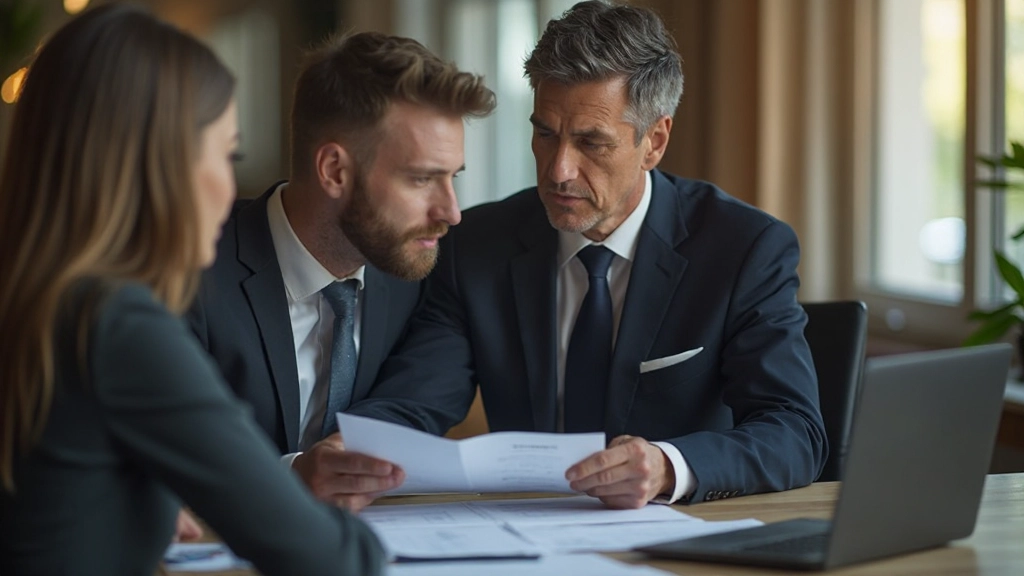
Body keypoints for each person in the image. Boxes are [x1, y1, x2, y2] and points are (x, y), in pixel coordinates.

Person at [349, 0, 827, 509]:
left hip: (679, 536)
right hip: (524, 532)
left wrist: (667, 466)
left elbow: (794, 432)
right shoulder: (478, 245)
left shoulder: (743, 249)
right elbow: (415, 400)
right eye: (545, 133)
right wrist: (350, 450)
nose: (558, 170)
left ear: (654, 142)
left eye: (591, 143)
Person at [0, 5, 383, 574]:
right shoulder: (119, 323)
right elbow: (331, 557)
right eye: (227, 154)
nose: (231, 188)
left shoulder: (35, 295)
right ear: (162, 164)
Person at [186, 31, 495, 511]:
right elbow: (158, 453)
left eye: (452, 177)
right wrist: (291, 474)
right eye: (421, 178)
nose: (451, 211)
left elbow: (424, 395)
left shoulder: (413, 271)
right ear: (334, 170)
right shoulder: (189, 273)